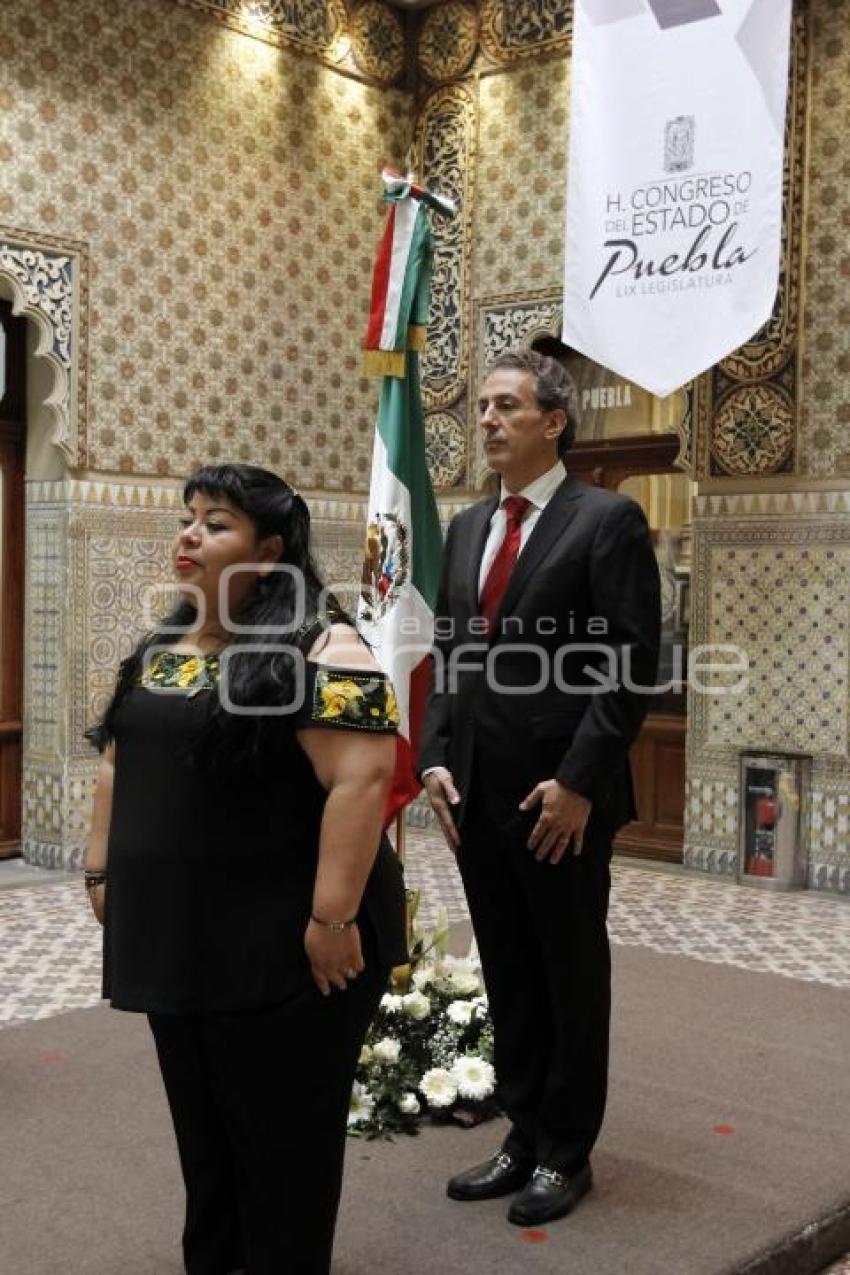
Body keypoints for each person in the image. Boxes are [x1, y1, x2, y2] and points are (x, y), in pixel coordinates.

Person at [84, 463, 406, 1275]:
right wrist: (100, 870)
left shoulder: (327, 646)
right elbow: (118, 761)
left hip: (289, 945)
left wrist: (333, 918)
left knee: (282, 1145)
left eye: (215, 521)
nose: (189, 534)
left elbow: (361, 780)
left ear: (268, 550)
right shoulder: (164, 644)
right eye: (188, 517)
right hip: (182, 937)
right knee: (207, 1135)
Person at [420, 348, 660, 1227]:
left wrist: (578, 781)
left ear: (553, 421)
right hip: (478, 792)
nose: (485, 419)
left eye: (505, 405)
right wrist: (437, 757)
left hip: (560, 800)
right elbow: (451, 654)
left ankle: (567, 1150)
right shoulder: (465, 528)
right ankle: (522, 1130)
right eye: (480, 406)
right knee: (510, 967)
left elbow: (630, 666)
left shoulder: (606, 520)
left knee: (565, 967)